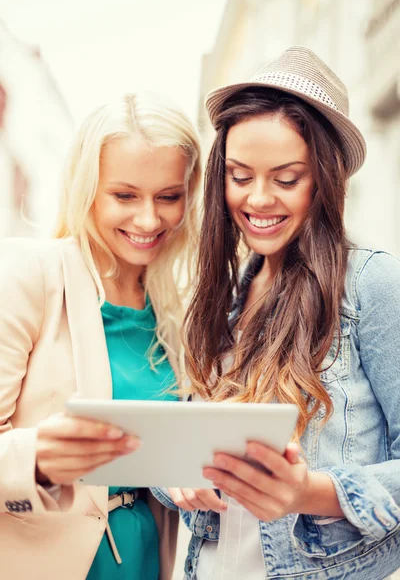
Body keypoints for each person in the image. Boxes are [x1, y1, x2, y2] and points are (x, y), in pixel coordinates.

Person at [154, 46, 400, 579]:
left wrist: (309, 492)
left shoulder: (373, 286)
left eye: (286, 179)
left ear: (326, 180)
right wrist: (172, 473)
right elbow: (184, 443)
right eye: (240, 176)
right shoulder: (220, 300)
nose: (258, 199)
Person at [0, 91, 201, 580]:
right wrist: (40, 460)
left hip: (147, 559)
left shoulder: (177, 308)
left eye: (168, 197)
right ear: (86, 189)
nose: (149, 220)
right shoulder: (29, 274)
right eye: (125, 195)